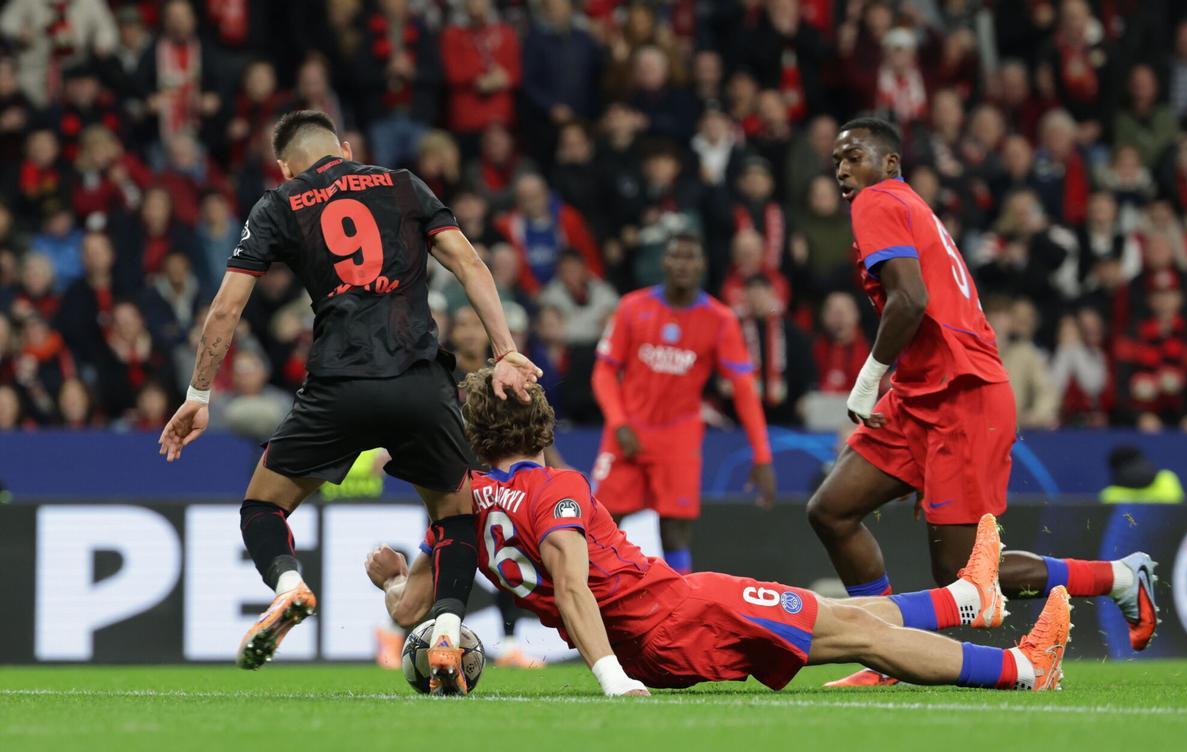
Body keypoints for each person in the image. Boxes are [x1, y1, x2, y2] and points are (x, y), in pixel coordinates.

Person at [364, 368, 1074, 696]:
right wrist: (610, 680)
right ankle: (1020, 669)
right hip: (675, 612)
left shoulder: (459, 509)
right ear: (537, 422)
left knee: (842, 616)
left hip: (656, 639)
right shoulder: (555, 488)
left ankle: (967, 602)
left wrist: (392, 576)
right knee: (860, 635)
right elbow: (574, 585)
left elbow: (409, 611)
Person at [157, 110, 541, 693]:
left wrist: (199, 393)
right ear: (345, 146)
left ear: (286, 166)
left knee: (262, 508)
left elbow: (226, 310)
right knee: (455, 516)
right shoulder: (404, 184)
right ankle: (448, 626)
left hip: (339, 384)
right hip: (419, 382)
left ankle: (289, 588)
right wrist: (506, 349)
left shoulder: (280, 203)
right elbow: (468, 263)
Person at [810, 117, 1158, 687]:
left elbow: (910, 300)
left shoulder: (877, 201)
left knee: (960, 573)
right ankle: (883, 654)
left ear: (890, 163)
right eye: (836, 162)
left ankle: (1118, 576)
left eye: (854, 157)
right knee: (832, 509)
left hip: (962, 395)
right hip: (922, 391)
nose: (843, 169)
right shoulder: (903, 205)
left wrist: (868, 376)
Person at [590, 232, 776, 576]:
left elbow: (745, 391)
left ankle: (680, 613)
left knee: (674, 532)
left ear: (702, 264)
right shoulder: (633, 306)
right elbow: (603, 372)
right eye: (676, 256)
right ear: (664, 262)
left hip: (678, 436)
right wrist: (618, 422)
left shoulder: (720, 320)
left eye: (690, 257)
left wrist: (762, 456)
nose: (682, 264)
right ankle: (592, 606)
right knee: (600, 524)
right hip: (627, 429)